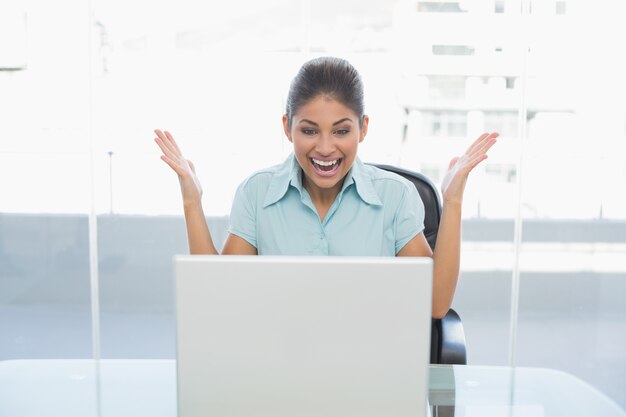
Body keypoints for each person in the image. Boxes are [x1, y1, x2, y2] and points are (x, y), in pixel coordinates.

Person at [154, 56, 497, 318]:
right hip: (278, 367)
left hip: (368, 373)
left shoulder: (396, 195)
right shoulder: (257, 192)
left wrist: (452, 202)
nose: (325, 148)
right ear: (288, 127)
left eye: (341, 131)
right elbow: (223, 296)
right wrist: (191, 201)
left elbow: (435, 305)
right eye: (309, 130)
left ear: (363, 128)